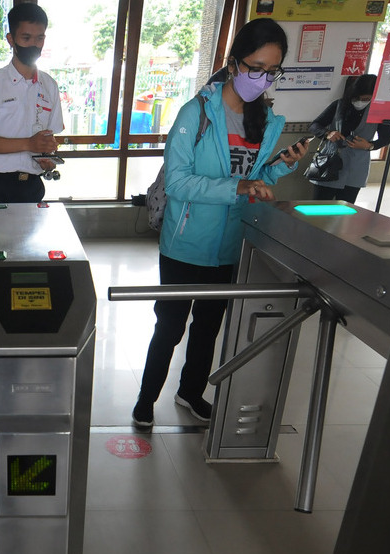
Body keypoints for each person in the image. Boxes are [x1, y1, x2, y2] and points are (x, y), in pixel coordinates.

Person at [132, 18, 306, 428]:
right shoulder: (197, 114)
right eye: (255, 67)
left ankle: (190, 392)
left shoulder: (264, 120)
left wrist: (278, 170)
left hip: (230, 243)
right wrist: (239, 187)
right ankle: (145, 399)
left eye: (272, 70)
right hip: (186, 241)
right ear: (233, 65)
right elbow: (177, 181)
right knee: (170, 326)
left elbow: (255, 182)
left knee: (209, 327)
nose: (262, 79)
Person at [0, 3, 64, 204]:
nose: (34, 45)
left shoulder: (49, 86)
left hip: (32, 186)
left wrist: (48, 159)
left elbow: (48, 139)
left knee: (33, 237)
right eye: (26, 38)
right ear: (11, 40)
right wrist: (29, 144)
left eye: (40, 38)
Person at [306, 73, 390, 203]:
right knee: (319, 206)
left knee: (344, 211)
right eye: (359, 98)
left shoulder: (379, 111)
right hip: (330, 163)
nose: (361, 102)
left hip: (356, 167)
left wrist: (369, 145)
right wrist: (327, 133)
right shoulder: (339, 105)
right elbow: (314, 125)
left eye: (366, 99)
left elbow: (386, 138)